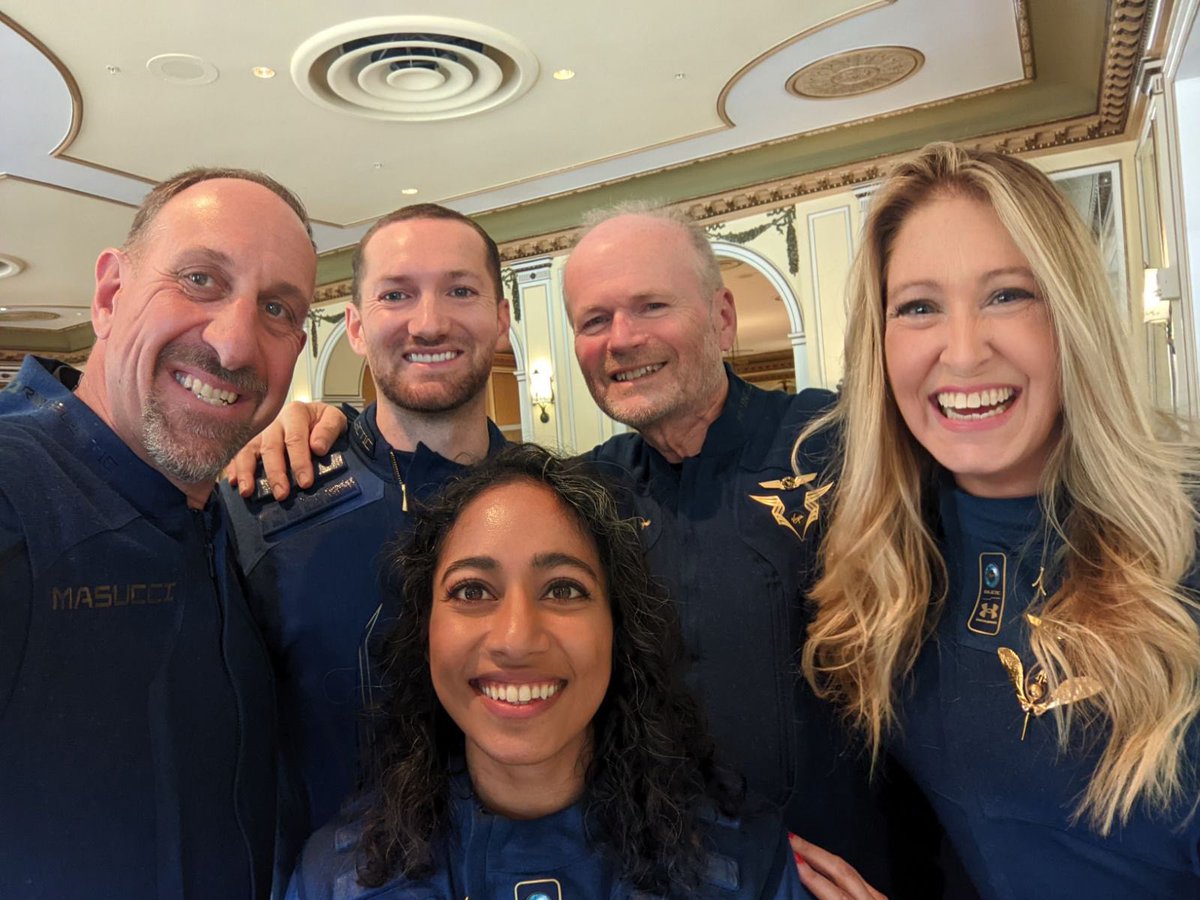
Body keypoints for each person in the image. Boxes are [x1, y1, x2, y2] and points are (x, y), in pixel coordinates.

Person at [239, 204, 921, 897]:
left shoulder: (844, 446)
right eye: (594, 321)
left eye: (652, 305)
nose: (623, 339)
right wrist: (310, 422)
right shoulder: (582, 493)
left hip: (827, 872)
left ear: (722, 317)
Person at [799, 142, 1200, 898]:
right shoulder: (889, 562)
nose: (962, 350)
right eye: (918, 307)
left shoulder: (1184, 543)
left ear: (1072, 316)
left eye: (1007, 295)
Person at [287, 444, 812, 899]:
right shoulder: (332, 880)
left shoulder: (748, 870)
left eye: (563, 589)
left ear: (618, 627)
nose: (516, 640)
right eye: (472, 591)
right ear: (425, 632)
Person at [0, 168, 317, 898]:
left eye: (276, 308)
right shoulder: (16, 493)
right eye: (200, 279)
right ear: (111, 294)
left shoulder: (232, 518)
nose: (234, 345)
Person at [222, 204, 510, 862]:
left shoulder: (556, 507)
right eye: (395, 294)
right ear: (355, 325)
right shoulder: (263, 507)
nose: (429, 321)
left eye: (460, 290)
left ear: (502, 317)